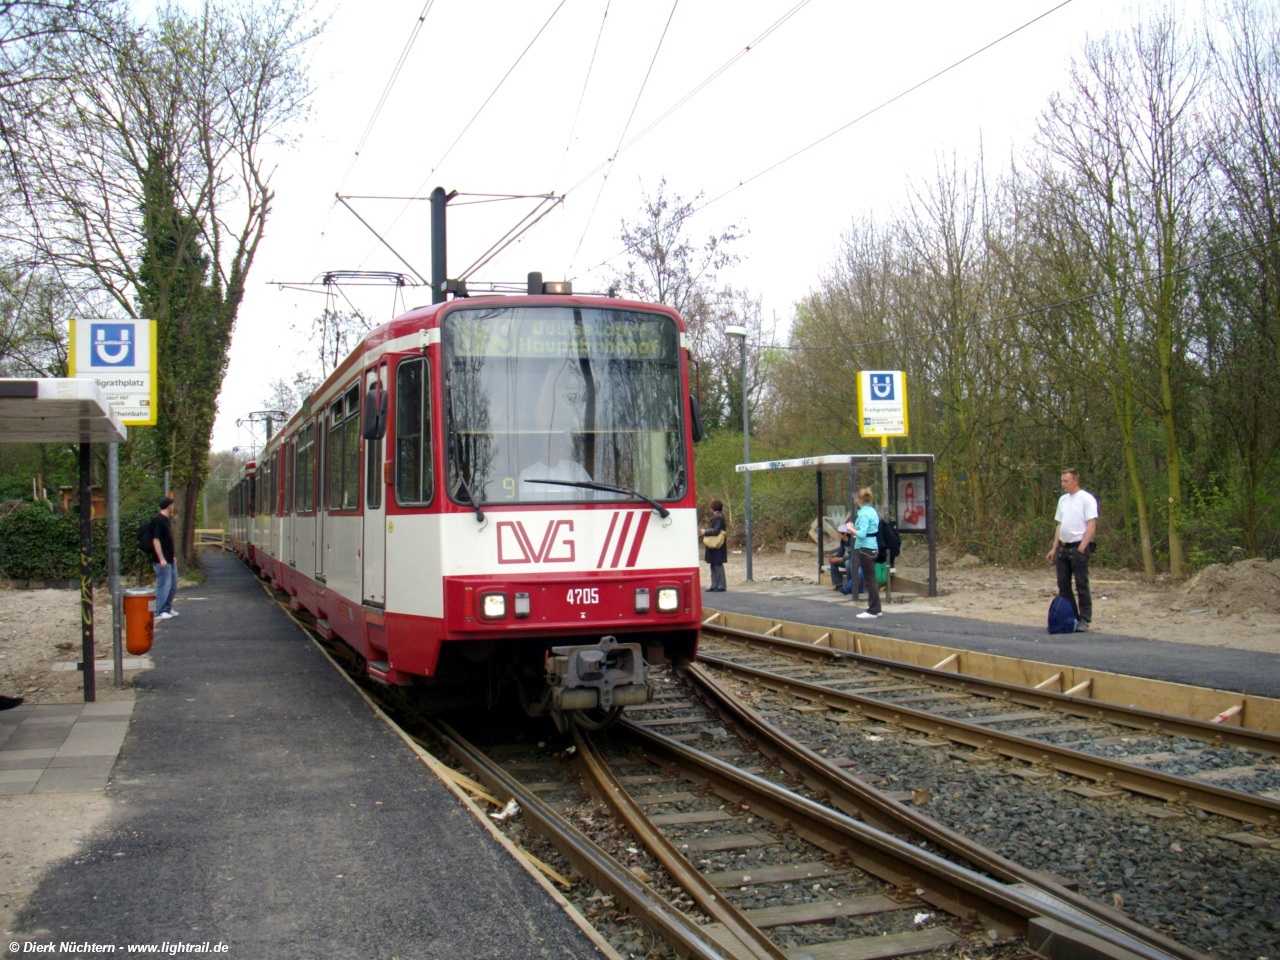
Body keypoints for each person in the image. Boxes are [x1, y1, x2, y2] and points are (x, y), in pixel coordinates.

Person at [1046, 468, 1098, 631]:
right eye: (1062, 481)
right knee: (1063, 585)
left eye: (1065, 481)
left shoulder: (1086, 499)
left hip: (1078, 547)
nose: (1063, 484)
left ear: (1075, 481)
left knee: (1081, 584)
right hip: (1063, 547)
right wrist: (1054, 548)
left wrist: (1082, 547)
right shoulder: (1063, 500)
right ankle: (1071, 615)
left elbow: (1091, 525)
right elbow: (1059, 525)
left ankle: (1084, 618)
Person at [852, 488, 882, 619]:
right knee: (871, 579)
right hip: (873, 545)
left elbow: (862, 534)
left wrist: (850, 528)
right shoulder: (873, 511)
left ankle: (872, 610)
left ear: (858, 500)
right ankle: (877, 608)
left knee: (870, 579)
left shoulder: (863, 514)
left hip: (866, 547)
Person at [150, 496, 178, 621]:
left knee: (172, 584)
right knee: (163, 585)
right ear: (169, 506)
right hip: (161, 560)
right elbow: (156, 540)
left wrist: (172, 556)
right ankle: (158, 611)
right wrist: (161, 558)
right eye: (172, 504)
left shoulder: (166, 520)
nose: (173, 506)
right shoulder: (159, 521)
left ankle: (167, 607)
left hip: (169, 558)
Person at [700, 499, 727, 592]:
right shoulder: (719, 516)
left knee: (717, 564)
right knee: (713, 564)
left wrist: (705, 532)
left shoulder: (718, 517)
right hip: (716, 545)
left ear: (713, 508)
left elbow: (716, 531)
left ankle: (720, 585)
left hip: (716, 545)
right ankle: (715, 584)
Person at [827, 525, 853, 591]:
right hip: (848, 559)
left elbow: (853, 555)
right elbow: (840, 553)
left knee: (848, 562)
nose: (837, 534)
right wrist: (833, 558)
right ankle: (838, 584)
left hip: (854, 561)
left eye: (839, 532)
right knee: (834, 563)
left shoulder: (853, 541)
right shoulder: (843, 541)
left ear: (844, 534)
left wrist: (840, 559)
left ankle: (850, 585)